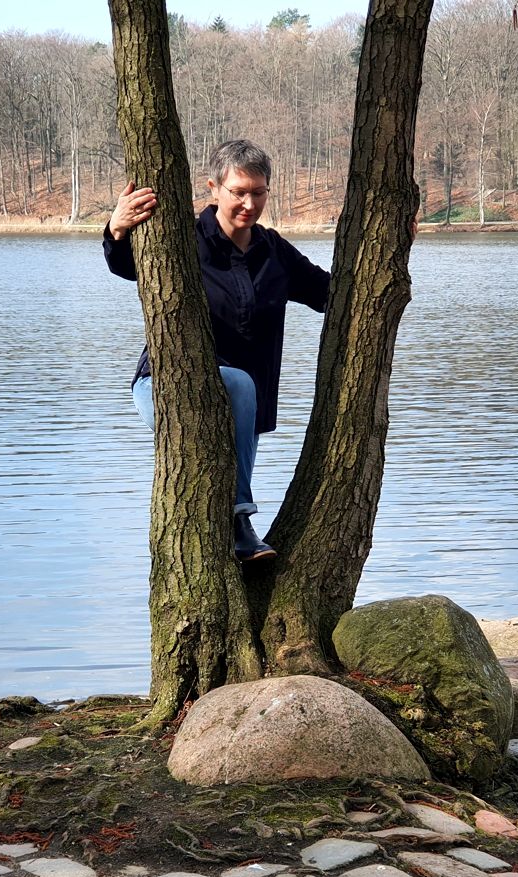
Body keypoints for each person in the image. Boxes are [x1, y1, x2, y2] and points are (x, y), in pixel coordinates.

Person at [103, 140, 330, 562]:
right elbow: (125, 265)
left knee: (223, 475)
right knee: (238, 391)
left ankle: (236, 563)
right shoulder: (183, 239)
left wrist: (394, 248)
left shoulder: (273, 252)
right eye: (238, 191)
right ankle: (242, 524)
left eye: (258, 192)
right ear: (214, 188)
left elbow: (332, 294)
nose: (249, 202)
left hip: (245, 408)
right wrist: (117, 229)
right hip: (164, 384)